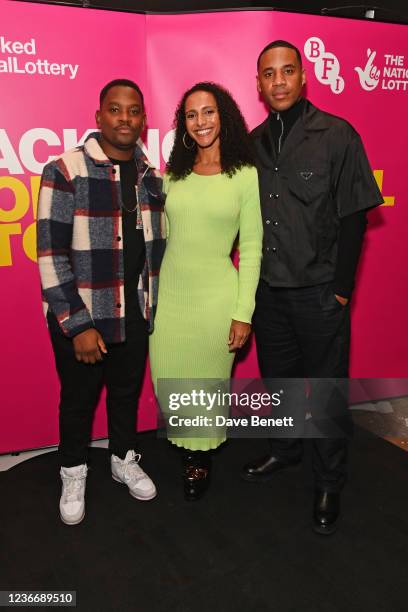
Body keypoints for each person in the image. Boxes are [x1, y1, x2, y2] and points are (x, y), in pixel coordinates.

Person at [241, 41, 384, 534]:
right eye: (268, 73)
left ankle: (329, 481)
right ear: (258, 83)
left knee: (324, 391)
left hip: (320, 291)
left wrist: (342, 290)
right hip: (268, 293)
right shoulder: (252, 143)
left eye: (286, 71)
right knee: (280, 382)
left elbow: (354, 218)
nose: (278, 81)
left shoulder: (337, 135)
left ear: (304, 77)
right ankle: (285, 451)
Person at [37, 79, 166, 525]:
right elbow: (50, 254)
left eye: (133, 111)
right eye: (115, 109)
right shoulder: (65, 169)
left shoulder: (152, 176)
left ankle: (122, 458)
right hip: (85, 318)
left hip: (134, 313)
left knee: (126, 396)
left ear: (143, 121)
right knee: (78, 399)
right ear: (99, 117)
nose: (125, 118)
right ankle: (73, 470)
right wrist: (78, 324)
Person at [149, 82, 263, 501]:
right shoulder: (173, 174)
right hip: (170, 301)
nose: (201, 122)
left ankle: (200, 460)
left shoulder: (245, 175)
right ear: (184, 124)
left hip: (217, 300)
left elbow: (250, 250)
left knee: (207, 386)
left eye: (209, 112)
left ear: (224, 117)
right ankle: (185, 448)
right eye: (192, 115)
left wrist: (243, 312)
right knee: (171, 380)